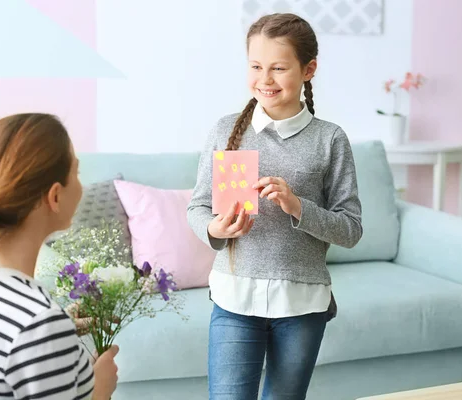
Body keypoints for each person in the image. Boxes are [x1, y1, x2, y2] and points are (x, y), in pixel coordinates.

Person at [187, 13, 363, 400]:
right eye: (255, 66)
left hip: (302, 305)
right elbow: (198, 207)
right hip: (234, 299)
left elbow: (351, 229)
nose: (264, 80)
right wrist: (216, 230)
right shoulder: (224, 130)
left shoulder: (330, 139)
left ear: (308, 69)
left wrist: (298, 205)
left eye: (279, 68)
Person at [0, 113, 119, 400]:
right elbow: (27, 332)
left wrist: (59, 333)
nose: (81, 186)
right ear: (55, 197)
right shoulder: (38, 321)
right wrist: (99, 389)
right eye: (76, 173)